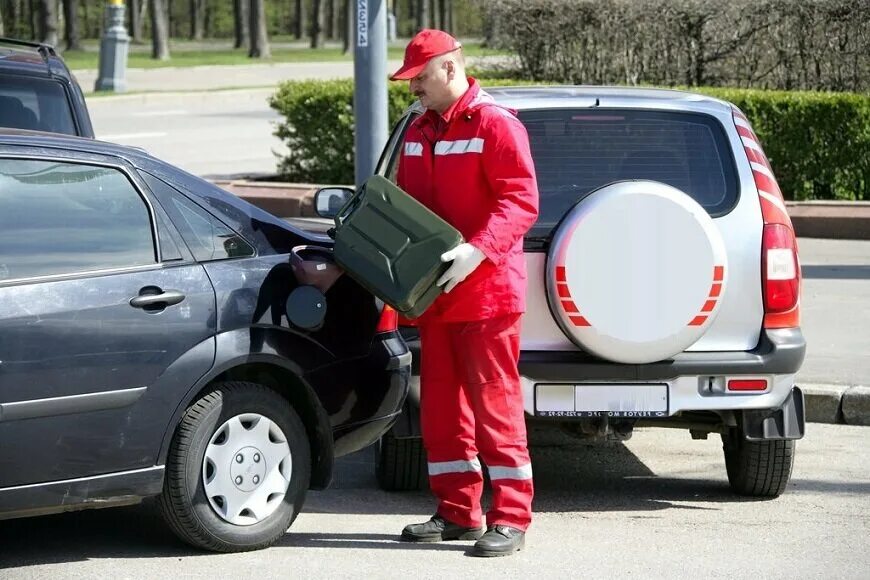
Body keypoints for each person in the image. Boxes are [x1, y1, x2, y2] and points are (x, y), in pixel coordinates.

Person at [390, 29, 539, 557]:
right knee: (442, 409)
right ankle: (458, 513)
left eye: (420, 79)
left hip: (488, 293)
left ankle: (511, 518)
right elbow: (403, 207)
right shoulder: (416, 130)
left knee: (494, 405)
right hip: (436, 296)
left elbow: (521, 201)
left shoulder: (497, 124)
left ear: (450, 70)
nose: (413, 90)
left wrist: (478, 250)